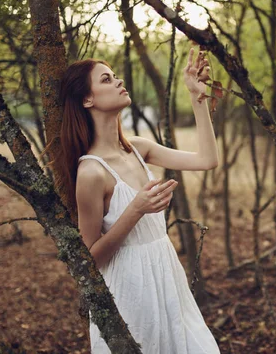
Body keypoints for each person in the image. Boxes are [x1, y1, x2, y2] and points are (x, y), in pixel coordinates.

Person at [54, 47, 221, 353]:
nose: (118, 81)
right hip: (128, 288)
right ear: (87, 99)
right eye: (107, 79)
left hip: (166, 274)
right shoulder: (91, 172)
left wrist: (197, 97)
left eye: (116, 76)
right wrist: (135, 210)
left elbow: (208, 159)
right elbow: (90, 259)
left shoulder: (138, 149)